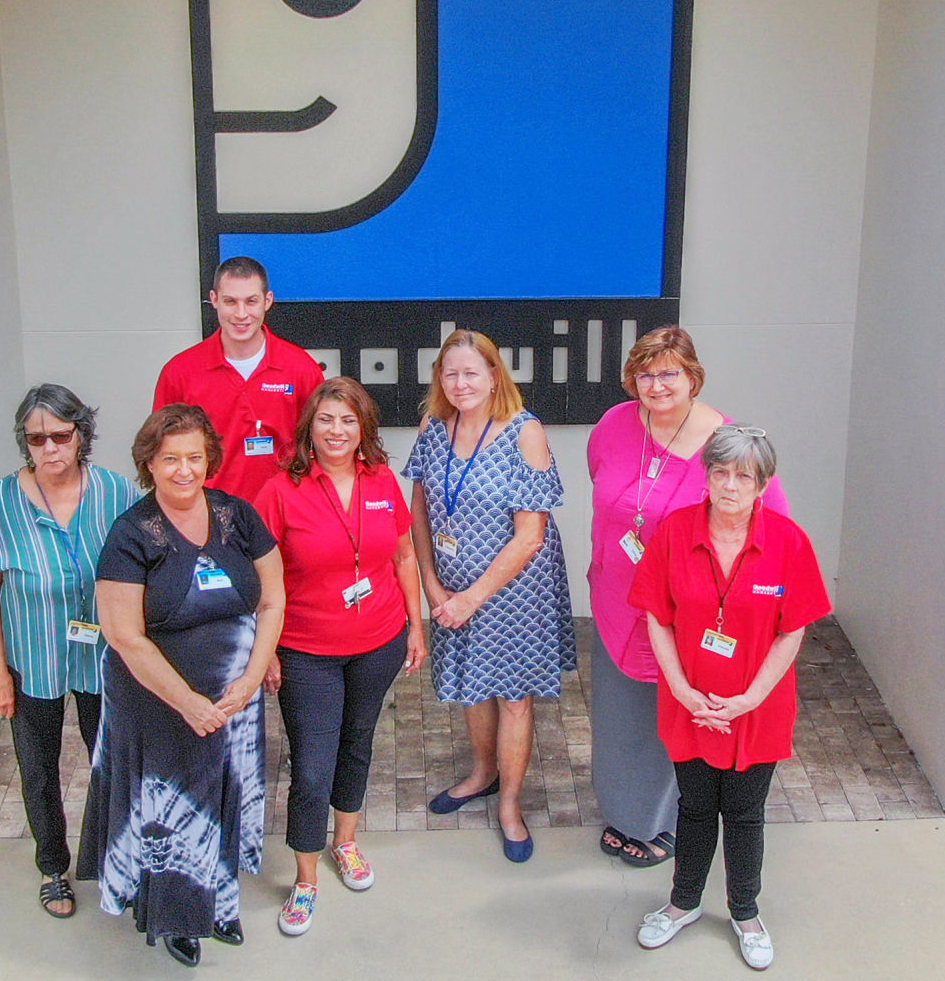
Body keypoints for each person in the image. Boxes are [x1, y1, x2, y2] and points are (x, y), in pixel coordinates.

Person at [76, 404, 285, 968]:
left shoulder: (237, 516)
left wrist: (248, 678)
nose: (185, 469)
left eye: (195, 457)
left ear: (210, 459)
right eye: (171, 459)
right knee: (170, 806)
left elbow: (272, 599)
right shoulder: (130, 534)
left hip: (233, 698)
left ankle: (219, 903)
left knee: (222, 792)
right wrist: (189, 703)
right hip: (159, 702)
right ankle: (176, 920)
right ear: (150, 462)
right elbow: (125, 637)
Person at [630, 425, 830, 970]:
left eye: (745, 475)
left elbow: (793, 631)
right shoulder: (674, 532)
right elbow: (656, 616)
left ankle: (745, 912)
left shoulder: (789, 542)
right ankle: (683, 903)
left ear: (763, 484)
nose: (731, 485)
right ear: (707, 476)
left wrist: (747, 700)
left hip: (757, 708)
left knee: (744, 813)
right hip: (689, 701)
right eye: (720, 471)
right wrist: (683, 691)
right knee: (694, 808)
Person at [586, 326, 787, 868]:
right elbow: (606, 493)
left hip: (691, 617)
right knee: (621, 720)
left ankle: (668, 822)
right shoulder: (612, 425)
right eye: (645, 374)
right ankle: (626, 813)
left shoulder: (726, 443)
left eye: (670, 372)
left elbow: (773, 531)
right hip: (617, 601)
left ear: (693, 377)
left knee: (677, 718)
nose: (657, 385)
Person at [255, 378, 426, 936]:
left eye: (348, 421)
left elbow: (403, 556)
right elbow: (262, 577)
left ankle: (345, 843)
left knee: (357, 745)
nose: (336, 431)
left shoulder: (381, 481)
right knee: (311, 765)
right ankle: (305, 877)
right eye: (326, 419)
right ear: (310, 427)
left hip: (377, 641)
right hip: (307, 650)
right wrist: (268, 650)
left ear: (363, 430)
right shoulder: (281, 490)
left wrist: (414, 627)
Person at [403, 329, 575, 863]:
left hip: (514, 592)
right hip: (452, 590)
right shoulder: (433, 428)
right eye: (450, 373)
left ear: (494, 375)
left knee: (513, 697)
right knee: (473, 692)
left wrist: (470, 598)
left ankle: (510, 804)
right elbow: (420, 510)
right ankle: (481, 773)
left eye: (471, 373)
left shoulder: (525, 432)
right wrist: (432, 584)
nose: (460, 383)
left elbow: (531, 535)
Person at [0, 384, 139, 919]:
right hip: (33, 658)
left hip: (104, 656)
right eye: (36, 439)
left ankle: (116, 856)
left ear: (81, 435)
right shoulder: (1, 502)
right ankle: (53, 868)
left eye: (60, 436)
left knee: (109, 761)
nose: (49, 449)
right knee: (39, 768)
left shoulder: (116, 493)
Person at [152, 256, 324, 502]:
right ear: (214, 300)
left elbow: (320, 447)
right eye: (230, 302)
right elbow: (161, 452)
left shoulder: (301, 368)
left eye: (251, 301)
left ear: (267, 301)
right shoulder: (179, 372)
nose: (241, 314)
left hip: (286, 514)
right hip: (209, 515)